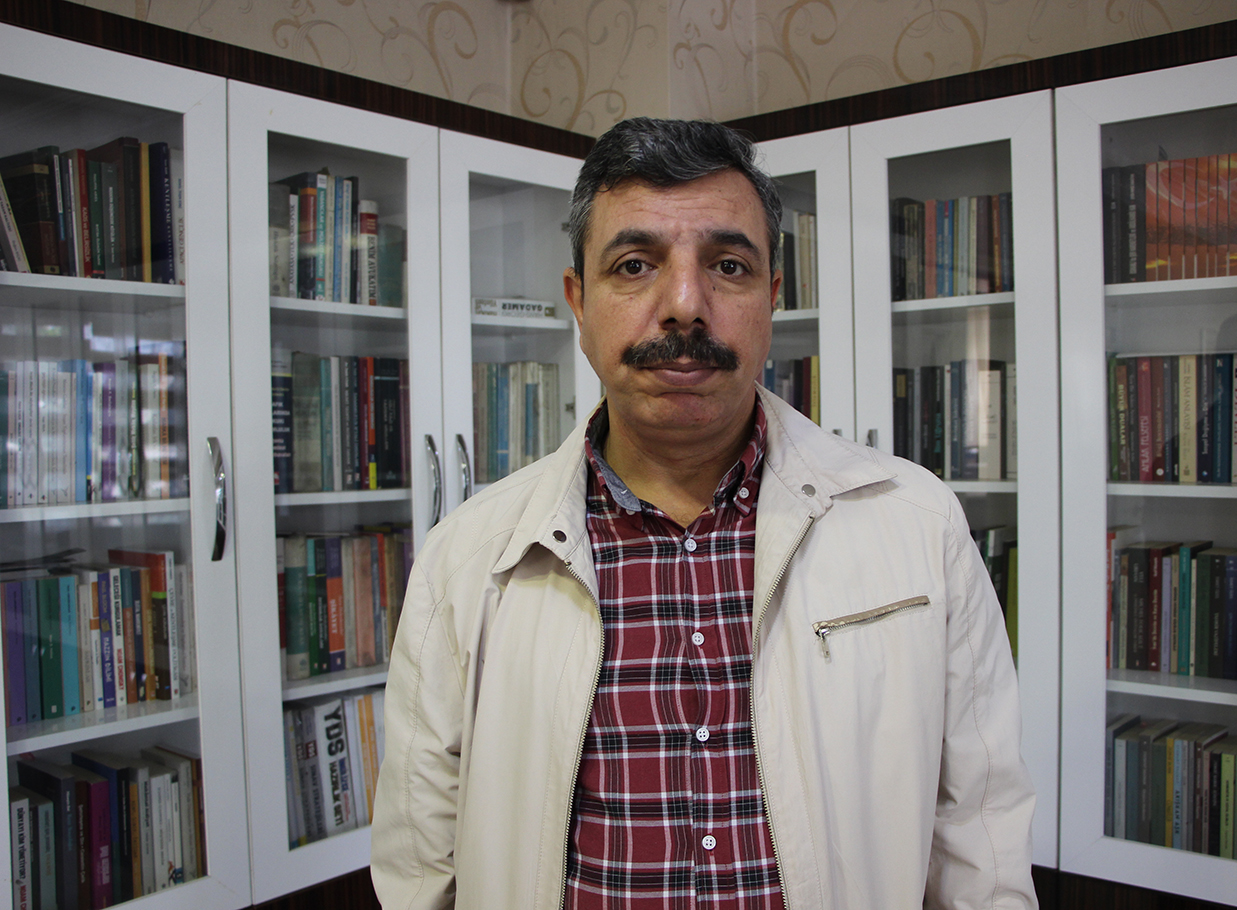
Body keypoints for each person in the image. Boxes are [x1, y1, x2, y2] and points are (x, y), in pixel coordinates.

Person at [370, 117, 1038, 909]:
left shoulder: (918, 526)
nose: (685, 305)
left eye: (727, 266)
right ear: (578, 303)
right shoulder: (463, 561)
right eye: (634, 265)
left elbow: (981, 845)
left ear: (772, 299)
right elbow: (422, 873)